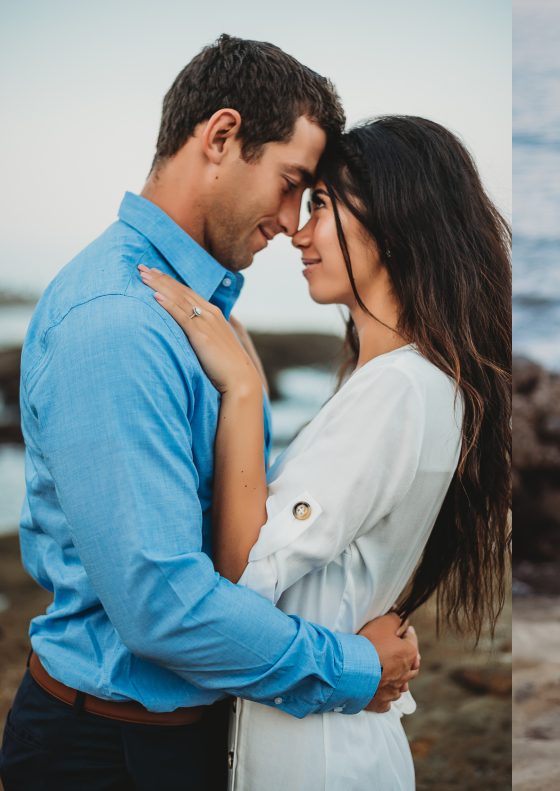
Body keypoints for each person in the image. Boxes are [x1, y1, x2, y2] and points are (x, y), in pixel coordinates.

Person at [0, 36, 419, 790]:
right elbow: (166, 608)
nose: (296, 222)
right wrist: (353, 664)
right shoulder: (120, 322)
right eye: (292, 183)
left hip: (185, 739)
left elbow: (239, 551)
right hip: (107, 755)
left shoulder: (196, 312)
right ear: (222, 137)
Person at [138, 114, 511, 789]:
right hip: (331, 735)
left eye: (322, 206)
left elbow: (240, 577)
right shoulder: (410, 381)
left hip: (320, 756)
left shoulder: (395, 391)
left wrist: (245, 393)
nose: (298, 233)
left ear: (396, 223)